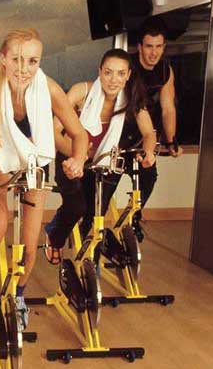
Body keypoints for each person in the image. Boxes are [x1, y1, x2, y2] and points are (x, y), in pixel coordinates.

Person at [0, 28, 88, 330]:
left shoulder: (50, 88)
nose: (24, 68)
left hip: (34, 164)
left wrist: (78, 159)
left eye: (32, 61)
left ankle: (18, 293)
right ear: (3, 59)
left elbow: (79, 133)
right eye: (17, 59)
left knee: (30, 245)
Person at [44, 48, 157, 252]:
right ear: (100, 71)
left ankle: (90, 258)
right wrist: (76, 155)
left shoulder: (131, 99)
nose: (114, 80)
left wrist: (149, 152)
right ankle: (55, 236)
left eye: (121, 73)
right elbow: (53, 131)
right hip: (70, 159)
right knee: (77, 206)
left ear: (128, 75)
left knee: (96, 213)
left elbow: (149, 133)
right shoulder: (81, 92)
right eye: (108, 72)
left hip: (101, 162)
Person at [123, 16, 183, 241]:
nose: (153, 53)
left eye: (158, 47)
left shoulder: (166, 70)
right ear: (140, 46)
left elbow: (168, 108)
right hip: (121, 131)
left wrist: (171, 141)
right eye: (149, 46)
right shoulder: (127, 67)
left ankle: (132, 218)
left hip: (144, 133)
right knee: (105, 184)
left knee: (148, 177)